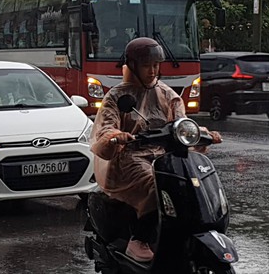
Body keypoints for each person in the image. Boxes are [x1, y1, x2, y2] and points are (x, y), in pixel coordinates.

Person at [90, 37, 222, 263]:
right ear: (132, 66)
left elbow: (182, 122)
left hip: (165, 156)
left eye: (155, 65)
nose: (152, 71)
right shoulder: (117, 96)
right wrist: (116, 136)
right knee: (157, 186)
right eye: (146, 65)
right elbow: (105, 129)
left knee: (190, 183)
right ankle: (139, 239)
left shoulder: (168, 94)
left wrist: (201, 133)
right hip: (129, 158)